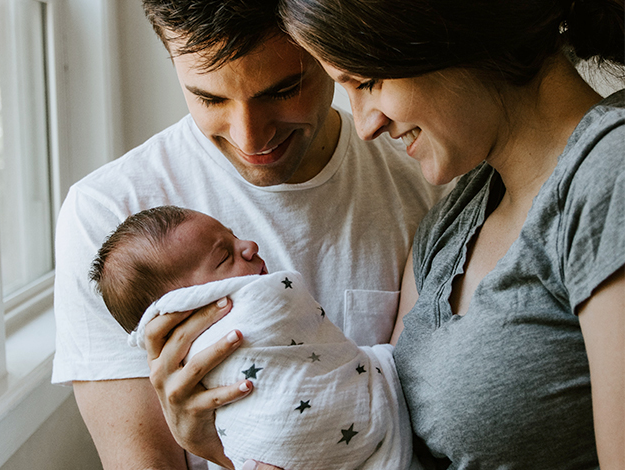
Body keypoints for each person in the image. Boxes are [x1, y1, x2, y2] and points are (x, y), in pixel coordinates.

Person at [204, 0, 622, 469]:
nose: (365, 125)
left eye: (366, 82)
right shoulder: (455, 218)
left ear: (452, 28)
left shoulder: (610, 172)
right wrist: (224, 441)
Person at [51, 1, 447, 468]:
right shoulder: (108, 216)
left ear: (328, 48)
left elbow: (430, 430)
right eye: (210, 99)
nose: (250, 139)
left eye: (283, 90)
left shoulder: (426, 180)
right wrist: (221, 453)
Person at [89, 205, 418, 470]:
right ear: (183, 306)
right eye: (223, 257)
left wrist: (217, 453)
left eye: (233, 236)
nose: (249, 246)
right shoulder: (99, 205)